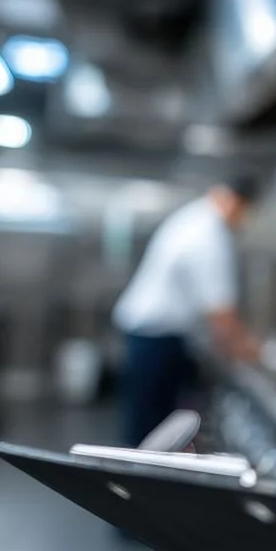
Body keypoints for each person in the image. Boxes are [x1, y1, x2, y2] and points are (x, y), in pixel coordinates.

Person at [112, 177, 258, 450]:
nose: (243, 220)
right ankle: (142, 484)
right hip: (155, 337)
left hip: (150, 334)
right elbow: (221, 313)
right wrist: (251, 354)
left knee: (150, 422)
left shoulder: (195, 218)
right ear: (234, 202)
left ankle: (141, 477)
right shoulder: (208, 235)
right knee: (152, 430)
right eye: (244, 212)